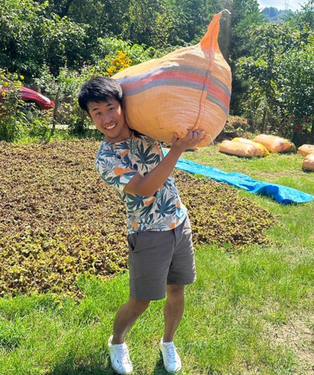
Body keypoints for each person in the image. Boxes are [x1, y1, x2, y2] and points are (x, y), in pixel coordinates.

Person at [78, 76, 205, 374]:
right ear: (90, 118)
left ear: (122, 105)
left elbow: (169, 120)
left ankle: (168, 342)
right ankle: (118, 341)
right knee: (141, 300)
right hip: (147, 233)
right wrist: (178, 150)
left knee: (177, 290)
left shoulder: (144, 128)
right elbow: (146, 187)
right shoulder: (106, 158)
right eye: (98, 113)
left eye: (111, 108)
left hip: (178, 221)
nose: (107, 118)